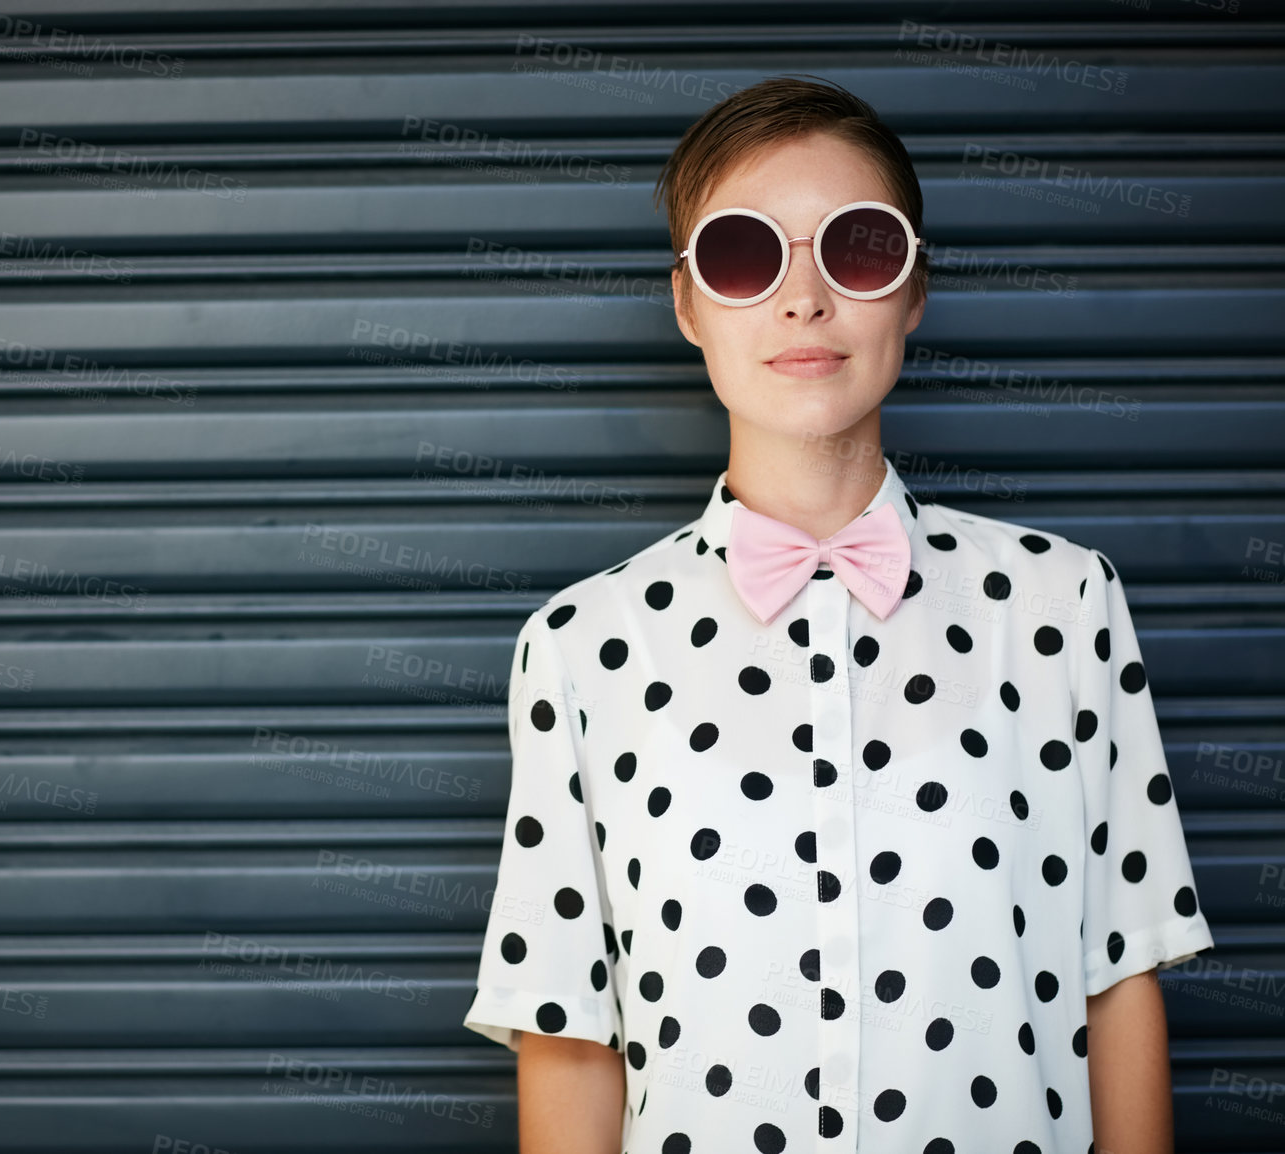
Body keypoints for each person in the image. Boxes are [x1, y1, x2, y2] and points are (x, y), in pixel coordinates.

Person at [461, 75, 1214, 1154]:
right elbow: (571, 1031)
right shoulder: (581, 648)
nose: (802, 299)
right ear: (686, 304)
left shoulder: (1063, 604)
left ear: (913, 290)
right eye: (741, 253)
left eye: (857, 248)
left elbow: (1117, 978)